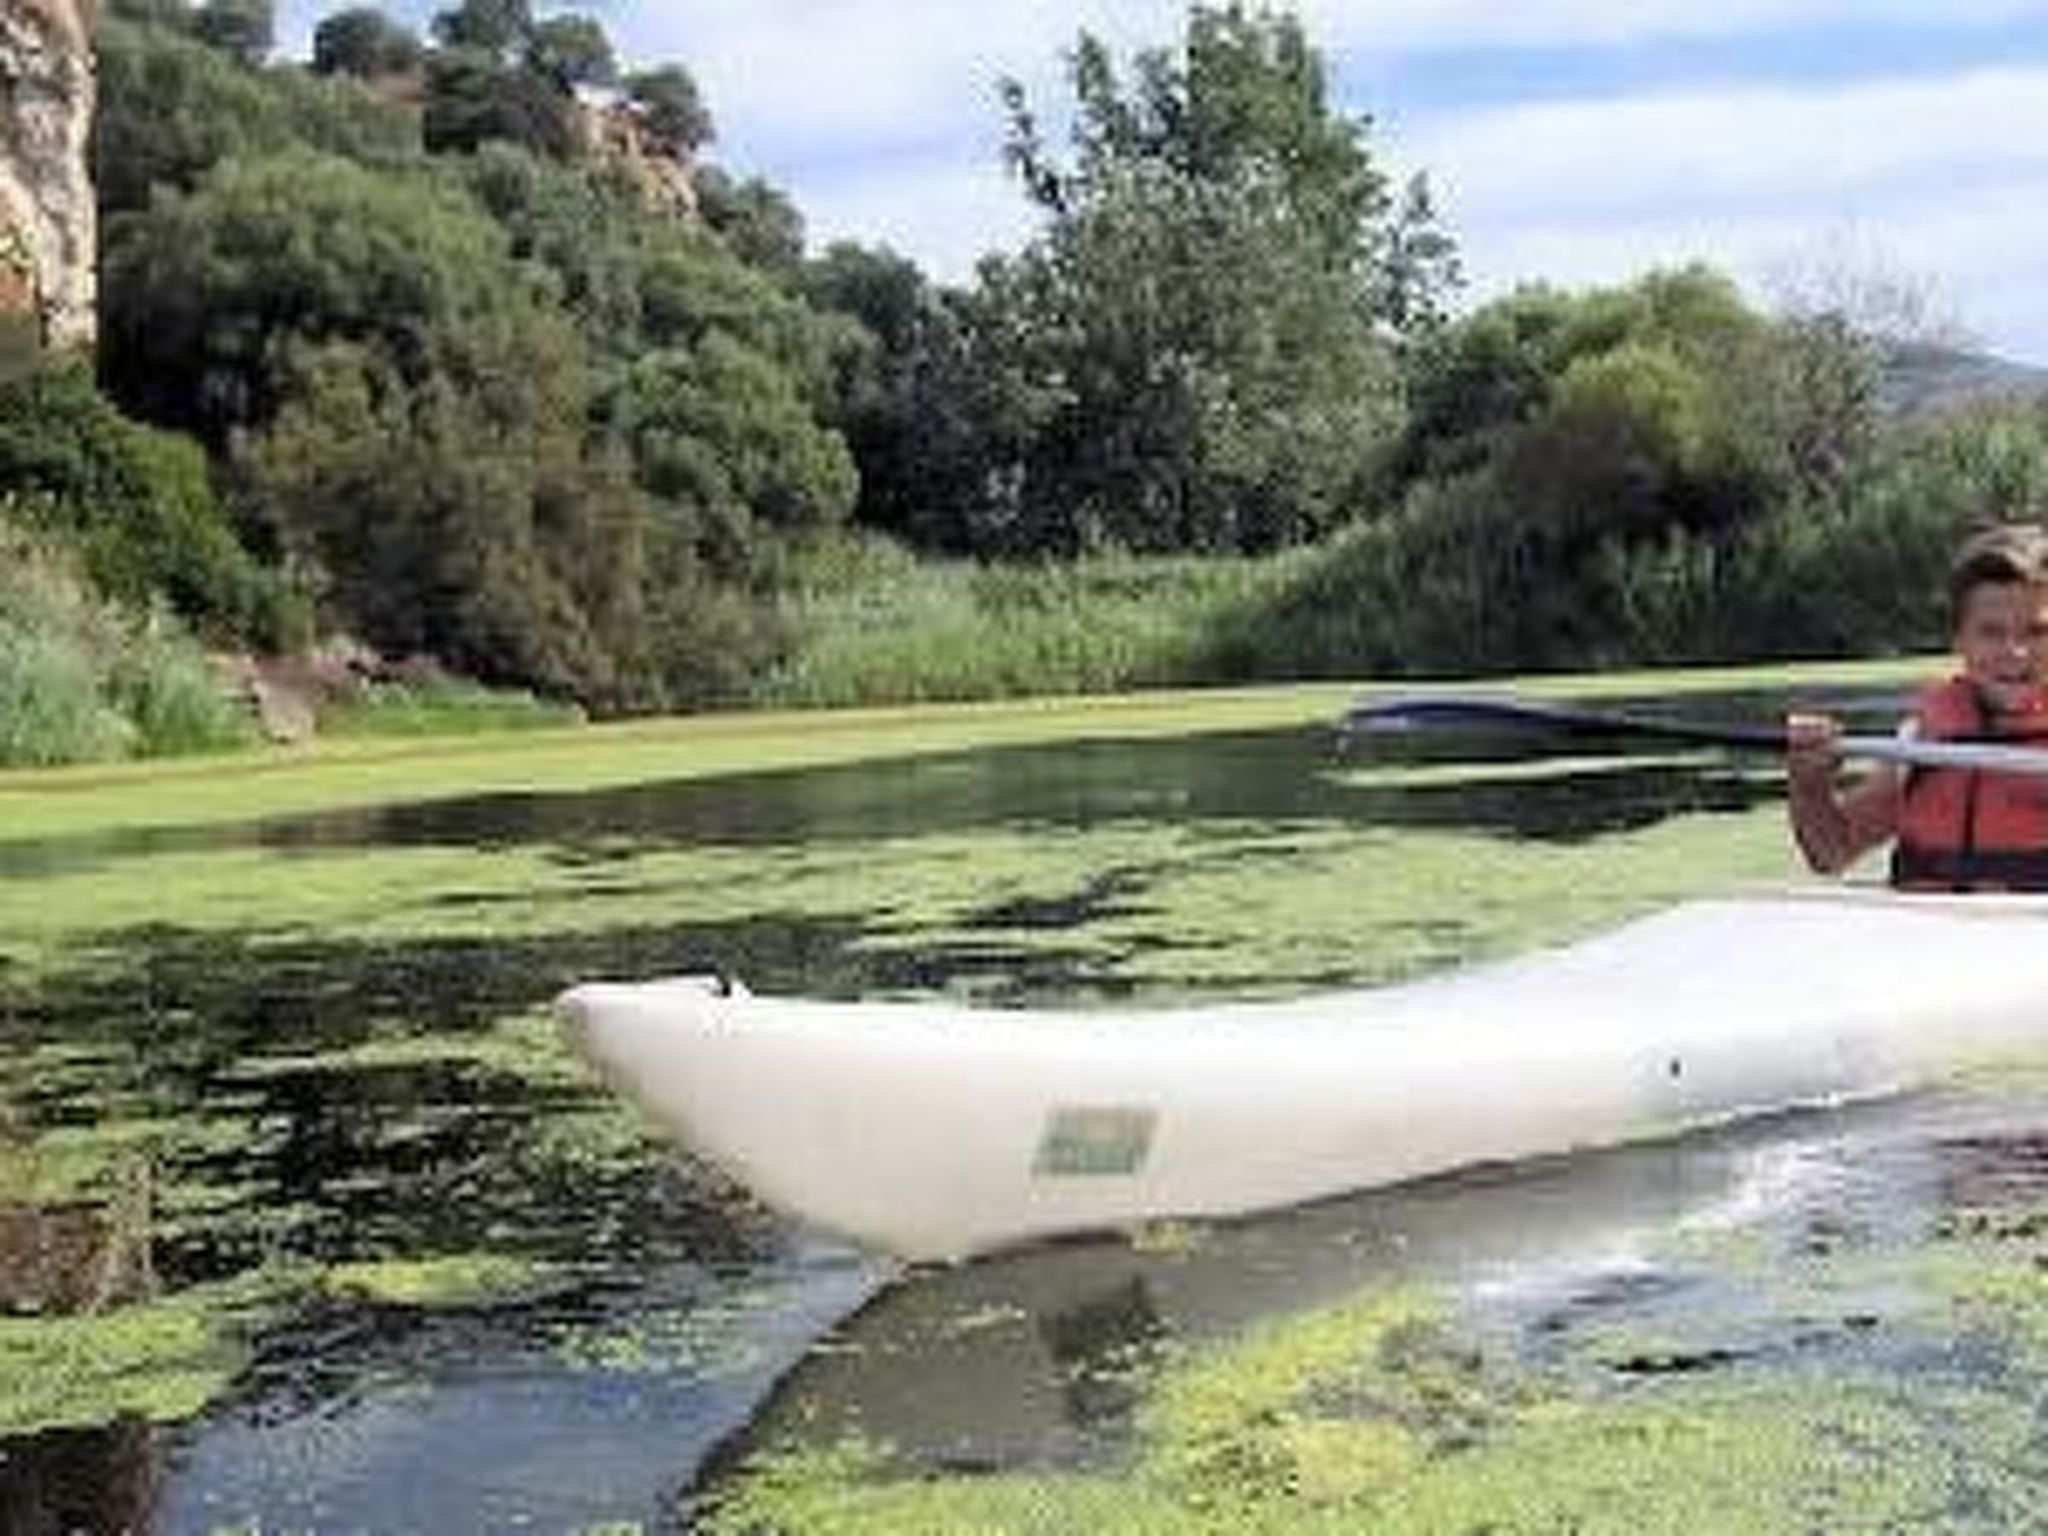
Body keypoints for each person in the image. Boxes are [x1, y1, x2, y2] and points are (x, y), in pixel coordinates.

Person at [1787, 522, 2048, 889]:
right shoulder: (1920, 742)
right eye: (1991, 633)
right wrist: (1809, 783)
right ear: (1959, 640)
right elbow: (1831, 852)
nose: (2016, 653)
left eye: (2036, 632)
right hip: (1928, 938)